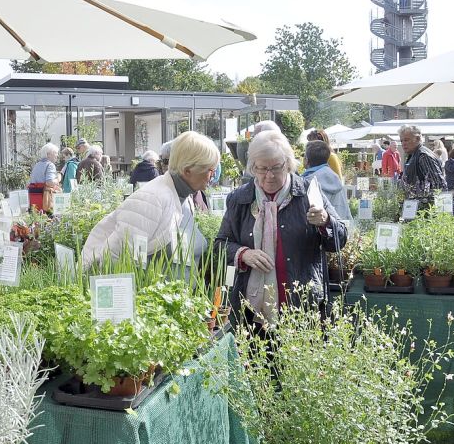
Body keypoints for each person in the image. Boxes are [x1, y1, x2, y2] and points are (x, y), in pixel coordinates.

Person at [216, 131, 347, 328]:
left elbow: (340, 239)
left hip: (301, 307)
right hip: (251, 312)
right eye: (261, 168)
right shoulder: (240, 199)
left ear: (287, 164)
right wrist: (244, 254)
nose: (269, 175)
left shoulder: (307, 192)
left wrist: (325, 221)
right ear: (253, 167)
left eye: (276, 168)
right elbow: (220, 245)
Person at [82, 131, 219, 265]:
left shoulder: (184, 196)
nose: (213, 176)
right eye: (210, 170)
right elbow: (117, 260)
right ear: (187, 170)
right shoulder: (152, 199)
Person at [301, 140, 352, 222]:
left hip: (319, 232)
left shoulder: (306, 183)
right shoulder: (336, 178)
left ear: (306, 159)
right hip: (339, 229)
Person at [399, 125, 445, 207]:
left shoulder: (423, 156)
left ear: (417, 139)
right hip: (414, 208)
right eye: (401, 141)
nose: (403, 143)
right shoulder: (414, 155)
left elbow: (438, 185)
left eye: (406, 140)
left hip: (425, 211)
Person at [28, 143, 60, 212]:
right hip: (45, 200)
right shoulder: (50, 165)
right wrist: (58, 179)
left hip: (34, 199)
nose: (57, 155)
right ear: (48, 154)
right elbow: (49, 182)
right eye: (55, 153)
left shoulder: (37, 165)